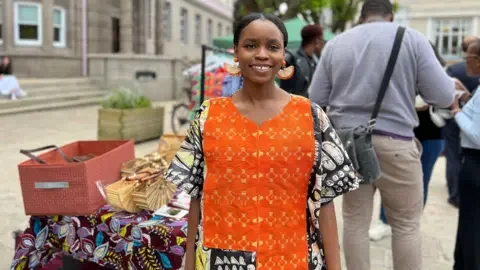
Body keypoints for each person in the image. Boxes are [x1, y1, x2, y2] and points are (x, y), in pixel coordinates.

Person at [165, 13, 361, 270]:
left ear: (283, 56)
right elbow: (196, 198)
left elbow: (325, 203)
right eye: (250, 45)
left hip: (293, 259)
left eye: (272, 47)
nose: (261, 54)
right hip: (219, 260)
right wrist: (190, 264)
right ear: (235, 52)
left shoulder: (312, 118)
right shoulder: (208, 117)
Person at [308, 0, 456, 269]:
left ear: (363, 17)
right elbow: (443, 95)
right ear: (390, 16)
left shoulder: (336, 44)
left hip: (350, 146)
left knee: (354, 221)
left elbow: (316, 98)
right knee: (406, 225)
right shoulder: (412, 39)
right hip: (396, 142)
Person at [369, 42, 449, 241]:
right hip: (400, 135)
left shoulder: (441, 75)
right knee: (390, 181)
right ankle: (384, 221)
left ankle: (410, 223)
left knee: (421, 181)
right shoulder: (402, 72)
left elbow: (448, 101)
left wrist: (431, 101)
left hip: (431, 135)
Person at [451, 39, 480, 270]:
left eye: (467, 58)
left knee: (471, 226)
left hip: (476, 164)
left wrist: (456, 111)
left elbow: (478, 135)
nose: (465, 62)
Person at [443, 35, 480, 208]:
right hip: (466, 123)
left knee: (453, 157)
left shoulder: (454, 70)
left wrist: (456, 109)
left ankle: (454, 195)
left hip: (456, 122)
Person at [280, 24, 324, 98]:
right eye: (322, 39)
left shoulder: (315, 61)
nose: (323, 43)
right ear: (317, 40)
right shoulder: (291, 58)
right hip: (289, 106)